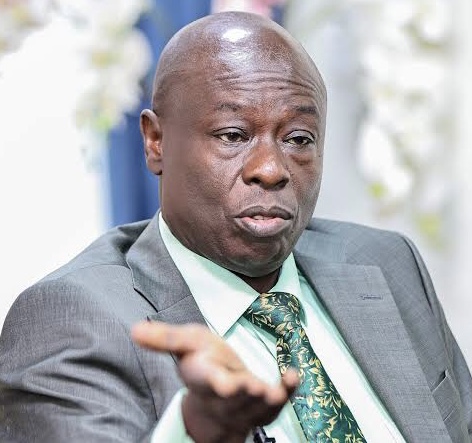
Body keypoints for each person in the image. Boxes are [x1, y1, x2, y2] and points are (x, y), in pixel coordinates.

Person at [0, 10, 471, 443]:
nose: (271, 169)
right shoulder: (74, 319)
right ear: (156, 141)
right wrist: (193, 432)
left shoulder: (388, 263)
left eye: (298, 139)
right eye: (233, 135)